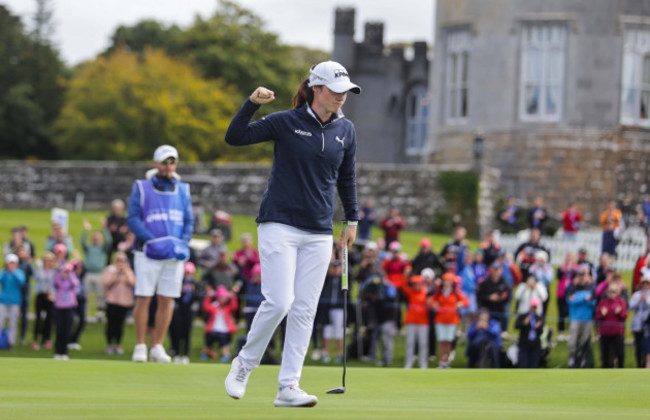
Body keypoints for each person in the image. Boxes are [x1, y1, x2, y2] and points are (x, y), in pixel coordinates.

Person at [223, 60, 360, 407]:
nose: (342, 97)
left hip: (318, 230)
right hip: (279, 223)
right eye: (336, 90)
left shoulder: (347, 131)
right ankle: (245, 363)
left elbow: (347, 178)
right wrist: (252, 103)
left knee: (304, 309)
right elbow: (235, 137)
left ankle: (288, 387)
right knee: (280, 301)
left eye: (346, 92)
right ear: (317, 88)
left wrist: (352, 219)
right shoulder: (287, 121)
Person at [127, 144, 194, 363]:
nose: (168, 166)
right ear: (155, 163)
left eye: (172, 162)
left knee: (167, 299)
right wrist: (150, 240)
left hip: (174, 253)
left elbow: (188, 220)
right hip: (147, 252)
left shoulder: (184, 189)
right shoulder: (142, 186)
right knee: (144, 297)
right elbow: (133, 218)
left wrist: (182, 243)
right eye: (164, 162)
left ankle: (157, 345)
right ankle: (140, 345)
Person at [429, 273, 469, 368]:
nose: (447, 283)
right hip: (440, 320)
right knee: (442, 341)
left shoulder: (455, 292)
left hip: (452, 321)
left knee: (448, 341)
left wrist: (460, 303)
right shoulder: (439, 292)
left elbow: (466, 301)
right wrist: (434, 304)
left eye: (449, 281)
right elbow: (431, 301)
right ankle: (441, 361)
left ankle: (446, 361)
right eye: (446, 281)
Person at [102, 252, 136, 355]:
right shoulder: (110, 269)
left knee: (120, 324)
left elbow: (132, 282)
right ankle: (109, 344)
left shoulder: (128, 271)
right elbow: (107, 282)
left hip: (124, 301)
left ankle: (117, 344)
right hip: (112, 300)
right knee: (111, 323)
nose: (120, 263)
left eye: (123, 260)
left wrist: (125, 271)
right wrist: (116, 272)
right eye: (118, 260)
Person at [80, 218, 113, 321]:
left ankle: (100, 315)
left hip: (99, 274)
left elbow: (109, 241)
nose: (95, 239)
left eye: (97, 238)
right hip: (88, 274)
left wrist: (105, 229)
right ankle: (84, 314)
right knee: (86, 295)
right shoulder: (89, 247)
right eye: (94, 238)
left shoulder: (103, 248)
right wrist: (86, 230)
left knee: (100, 296)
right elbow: (82, 242)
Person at [169, 262, 199, 364]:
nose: (188, 275)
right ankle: (177, 353)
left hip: (189, 311)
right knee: (177, 332)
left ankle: (185, 354)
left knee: (187, 333)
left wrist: (193, 291)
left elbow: (197, 298)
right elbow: (174, 297)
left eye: (190, 273)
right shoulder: (179, 282)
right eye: (186, 273)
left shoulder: (195, 284)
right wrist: (181, 291)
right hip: (178, 310)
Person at [566, 268, 596, 368]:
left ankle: (582, 360)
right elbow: (570, 301)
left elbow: (593, 302)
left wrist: (578, 299)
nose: (582, 278)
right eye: (580, 276)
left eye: (584, 276)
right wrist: (584, 299)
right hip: (575, 318)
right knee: (572, 342)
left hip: (587, 319)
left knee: (585, 341)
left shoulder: (591, 287)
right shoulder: (573, 287)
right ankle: (572, 360)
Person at [400, 275, 431, 369]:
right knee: (410, 343)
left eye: (418, 284)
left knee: (423, 344)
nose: (417, 286)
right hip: (411, 321)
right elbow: (403, 285)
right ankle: (408, 363)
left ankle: (423, 364)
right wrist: (406, 275)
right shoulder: (411, 292)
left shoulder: (426, 293)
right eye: (415, 284)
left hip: (423, 322)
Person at [202, 285, 238, 362]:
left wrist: (233, 296)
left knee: (224, 343)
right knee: (208, 342)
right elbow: (206, 307)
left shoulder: (228, 307)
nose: (223, 299)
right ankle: (205, 353)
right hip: (213, 329)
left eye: (224, 297)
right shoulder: (214, 306)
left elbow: (234, 307)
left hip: (224, 330)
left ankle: (226, 355)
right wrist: (208, 296)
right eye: (221, 297)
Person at [320, 256, 345, 364]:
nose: (335, 269)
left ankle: (340, 353)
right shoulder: (328, 278)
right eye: (334, 267)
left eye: (337, 267)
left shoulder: (343, 279)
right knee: (327, 330)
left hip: (339, 308)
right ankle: (325, 353)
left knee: (338, 330)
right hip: (327, 307)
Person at [595, 284, 627, 368]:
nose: (611, 294)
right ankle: (605, 369)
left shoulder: (620, 302)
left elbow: (624, 316)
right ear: (607, 292)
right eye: (610, 292)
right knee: (605, 353)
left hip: (617, 332)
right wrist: (602, 314)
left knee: (620, 353)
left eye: (613, 292)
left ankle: (621, 368)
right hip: (605, 332)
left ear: (617, 293)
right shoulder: (603, 303)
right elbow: (597, 317)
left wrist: (620, 312)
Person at [52, 262, 79, 360]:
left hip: (69, 306)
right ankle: (57, 351)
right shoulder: (58, 276)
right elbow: (55, 283)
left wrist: (69, 275)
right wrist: (61, 275)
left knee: (67, 330)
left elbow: (76, 284)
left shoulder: (72, 277)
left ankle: (64, 352)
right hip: (59, 306)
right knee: (59, 330)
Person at [0, 254, 26, 348]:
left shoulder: (19, 272)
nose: (11, 265)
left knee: (13, 323)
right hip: (3, 301)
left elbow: (21, 281)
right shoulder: (3, 272)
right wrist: (6, 271)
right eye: (10, 263)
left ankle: (11, 342)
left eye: (13, 263)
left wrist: (13, 272)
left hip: (15, 301)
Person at [477, 263, 511, 333]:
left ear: (501, 270)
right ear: (491, 270)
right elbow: (479, 296)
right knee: (484, 331)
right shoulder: (485, 282)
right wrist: (489, 297)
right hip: (487, 310)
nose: (496, 272)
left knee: (497, 331)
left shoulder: (504, 283)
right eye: (494, 270)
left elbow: (508, 297)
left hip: (499, 311)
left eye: (497, 270)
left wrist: (500, 298)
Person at [32, 252, 56, 351]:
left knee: (49, 319)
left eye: (49, 260)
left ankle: (46, 339)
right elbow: (36, 278)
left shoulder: (54, 271)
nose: (47, 262)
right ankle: (35, 340)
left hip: (50, 296)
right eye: (45, 260)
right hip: (40, 295)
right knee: (38, 318)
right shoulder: (39, 270)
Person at [514, 296, 545, 368]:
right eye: (533, 307)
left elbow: (541, 331)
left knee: (533, 366)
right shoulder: (523, 316)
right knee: (523, 365)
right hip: (524, 344)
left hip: (535, 345)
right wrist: (524, 323)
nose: (533, 309)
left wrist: (538, 327)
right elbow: (516, 326)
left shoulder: (539, 317)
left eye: (535, 307)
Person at [556, 252, 578, 341]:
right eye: (567, 257)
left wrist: (570, 269)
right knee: (561, 313)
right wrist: (563, 270)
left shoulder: (576, 268)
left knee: (570, 313)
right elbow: (558, 276)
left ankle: (570, 332)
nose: (568, 259)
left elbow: (575, 276)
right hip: (561, 292)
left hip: (571, 293)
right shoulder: (561, 267)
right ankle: (561, 332)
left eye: (570, 257)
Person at [629, 276, 650, 367]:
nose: (645, 285)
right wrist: (639, 300)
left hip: (648, 325)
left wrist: (646, 300)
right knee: (638, 347)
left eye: (647, 284)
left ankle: (646, 364)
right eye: (644, 283)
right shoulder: (636, 295)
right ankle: (639, 365)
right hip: (638, 325)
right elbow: (630, 307)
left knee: (647, 348)